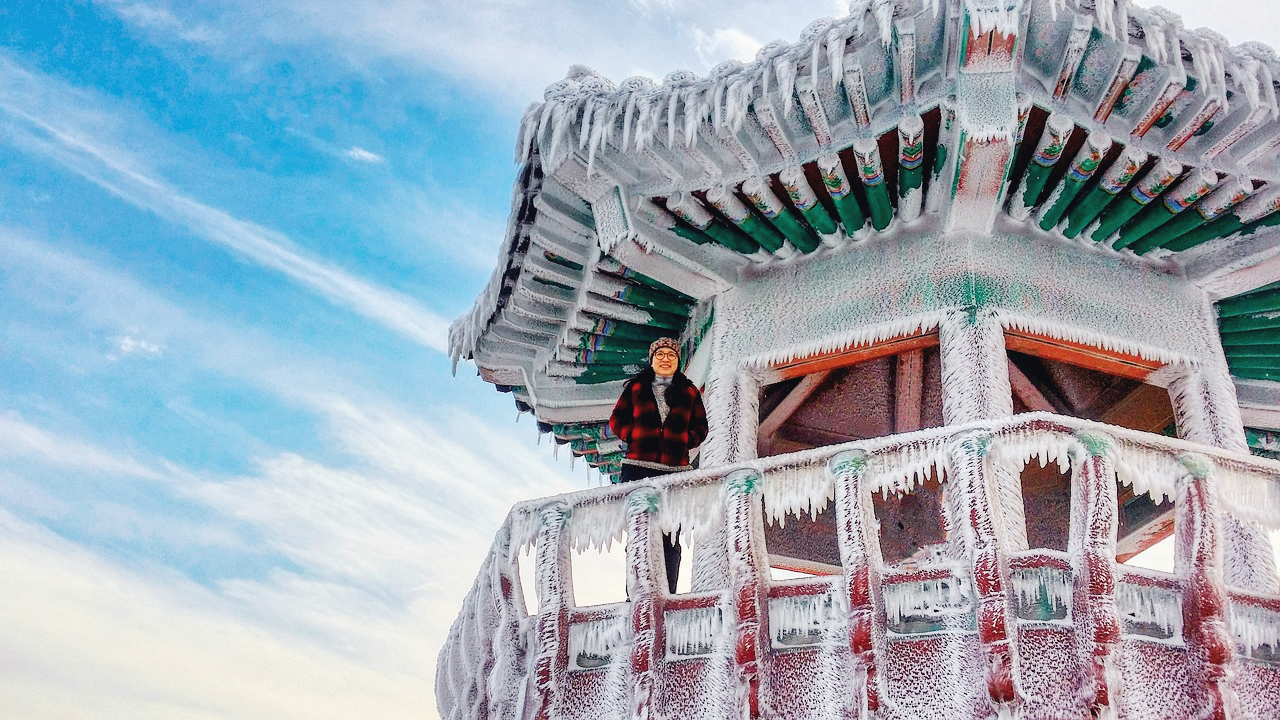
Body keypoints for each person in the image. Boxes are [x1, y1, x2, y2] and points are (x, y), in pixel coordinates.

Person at [609, 337, 708, 594]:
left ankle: (668, 592)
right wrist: (632, 434)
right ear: (652, 360)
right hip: (638, 467)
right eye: (660, 354)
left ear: (678, 361)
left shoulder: (689, 392)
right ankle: (637, 593)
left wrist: (686, 439)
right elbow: (616, 419)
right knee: (639, 532)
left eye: (671, 355)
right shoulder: (636, 388)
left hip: (675, 471)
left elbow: (701, 426)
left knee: (670, 536)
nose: (665, 359)